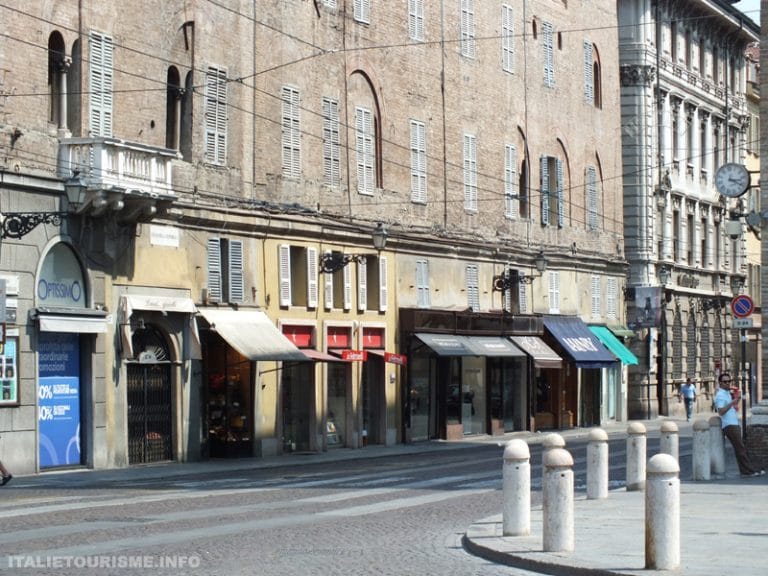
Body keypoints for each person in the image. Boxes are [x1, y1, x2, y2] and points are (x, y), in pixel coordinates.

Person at [714, 372, 765, 478]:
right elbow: (721, 411)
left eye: (729, 381)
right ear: (720, 383)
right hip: (729, 425)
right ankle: (748, 472)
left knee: (740, 448)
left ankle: (747, 470)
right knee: (740, 449)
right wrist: (732, 403)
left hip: (734, 423)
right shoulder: (720, 395)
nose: (728, 383)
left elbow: (732, 408)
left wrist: (736, 400)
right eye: (725, 381)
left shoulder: (727, 393)